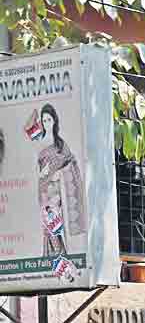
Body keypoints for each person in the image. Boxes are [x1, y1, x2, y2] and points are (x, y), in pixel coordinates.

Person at [36, 104, 84, 256]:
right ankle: (53, 256)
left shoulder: (61, 145)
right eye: (44, 120)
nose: (47, 123)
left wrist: (60, 173)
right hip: (45, 193)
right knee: (49, 225)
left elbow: (72, 163)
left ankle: (62, 256)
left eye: (49, 119)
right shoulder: (40, 144)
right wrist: (42, 173)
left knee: (58, 224)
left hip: (60, 192)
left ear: (54, 121)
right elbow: (37, 170)